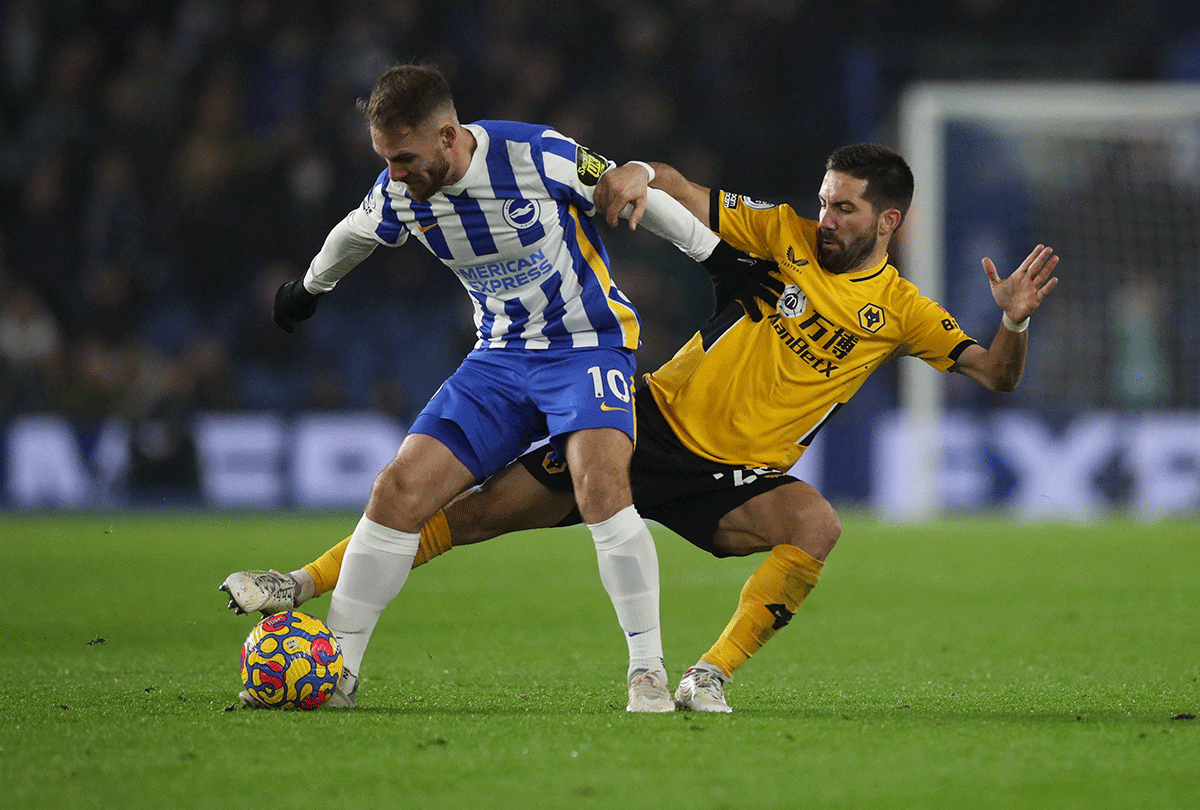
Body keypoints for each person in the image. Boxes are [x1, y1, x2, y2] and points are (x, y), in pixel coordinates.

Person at [224, 143, 1059, 712]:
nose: (826, 218)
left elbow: (992, 374)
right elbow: (679, 187)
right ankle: (302, 582)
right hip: (646, 422)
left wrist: (1014, 325)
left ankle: (705, 678)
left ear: (889, 223)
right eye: (824, 202)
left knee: (816, 523)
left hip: (735, 481)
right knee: (475, 513)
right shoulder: (778, 235)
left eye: (843, 208)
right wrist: (632, 173)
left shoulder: (905, 313)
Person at [250, 63, 776, 713]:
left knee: (600, 485)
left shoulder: (535, 155)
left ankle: (647, 672)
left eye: (406, 158)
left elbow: (629, 192)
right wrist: (308, 290)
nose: (396, 174)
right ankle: (338, 672)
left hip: (587, 345)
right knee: (397, 491)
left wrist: (718, 260)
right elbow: (353, 236)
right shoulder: (398, 193)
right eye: (385, 160)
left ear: (449, 136)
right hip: (499, 359)